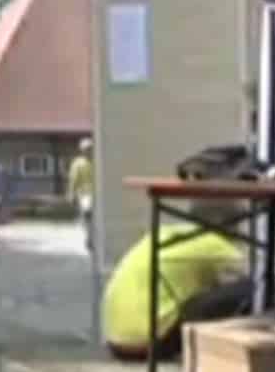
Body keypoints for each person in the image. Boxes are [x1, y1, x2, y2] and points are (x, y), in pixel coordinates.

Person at [100, 201, 254, 360]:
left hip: (117, 343)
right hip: (151, 343)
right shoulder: (216, 244)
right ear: (232, 225)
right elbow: (251, 278)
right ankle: (246, 357)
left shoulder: (165, 233)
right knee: (255, 289)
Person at [66, 139, 95, 254]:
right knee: (88, 218)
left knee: (93, 218)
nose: (88, 151)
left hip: (96, 195)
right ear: (82, 150)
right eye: (86, 149)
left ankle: (91, 238)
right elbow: (73, 179)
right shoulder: (78, 163)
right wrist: (71, 194)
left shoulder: (96, 161)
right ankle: (89, 239)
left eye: (90, 148)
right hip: (85, 195)